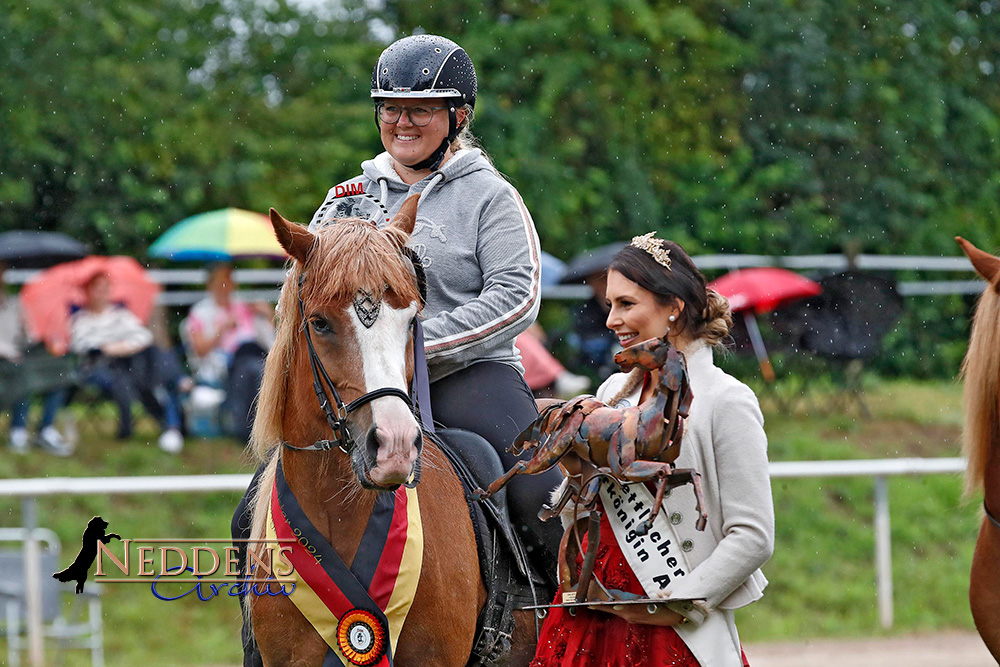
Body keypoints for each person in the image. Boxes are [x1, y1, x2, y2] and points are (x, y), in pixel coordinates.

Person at [230, 34, 563, 663]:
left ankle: (548, 618)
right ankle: (261, 637)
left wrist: (412, 346)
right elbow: (308, 294)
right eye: (390, 107)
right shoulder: (345, 199)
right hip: (357, 380)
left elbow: (518, 297)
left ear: (458, 116)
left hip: (469, 372)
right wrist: (373, 356)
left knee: (533, 489)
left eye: (421, 108)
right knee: (251, 503)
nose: (402, 120)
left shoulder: (491, 197)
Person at [531, 233, 774, 667]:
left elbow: (753, 536)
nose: (611, 320)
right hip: (594, 608)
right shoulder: (610, 391)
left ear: (673, 307)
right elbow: (586, 509)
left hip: (671, 619)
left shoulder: (727, 401)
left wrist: (680, 601)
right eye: (610, 305)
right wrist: (574, 472)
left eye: (627, 304)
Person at [70, 272, 184, 453]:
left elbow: (143, 336)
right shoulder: (82, 319)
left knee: (153, 353)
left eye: (105, 289)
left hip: (128, 363)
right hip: (98, 367)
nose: (102, 294)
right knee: (129, 378)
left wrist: (118, 347)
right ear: (89, 292)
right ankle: (176, 388)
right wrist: (116, 346)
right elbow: (82, 345)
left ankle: (172, 389)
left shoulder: (121, 315)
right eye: (98, 289)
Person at [183, 263, 273, 442]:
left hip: (254, 353)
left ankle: (251, 429)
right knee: (254, 370)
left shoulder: (243, 306)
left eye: (229, 280)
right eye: (221, 281)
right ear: (211, 285)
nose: (226, 286)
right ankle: (250, 429)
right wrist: (221, 328)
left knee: (255, 366)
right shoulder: (201, 312)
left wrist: (268, 316)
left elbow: (270, 340)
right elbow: (199, 350)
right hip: (226, 362)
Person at [0, 262, 71, 455]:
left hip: (19, 357)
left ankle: (46, 428)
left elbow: (29, 337)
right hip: (6, 362)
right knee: (23, 374)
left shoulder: (15, 303)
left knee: (59, 370)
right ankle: (18, 430)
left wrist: (46, 336)